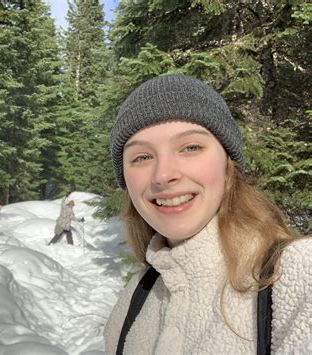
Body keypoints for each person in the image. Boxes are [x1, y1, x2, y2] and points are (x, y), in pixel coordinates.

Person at [103, 74, 311, 354]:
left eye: (190, 147)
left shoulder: (297, 276)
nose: (163, 175)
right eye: (141, 157)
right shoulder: (134, 302)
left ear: (228, 166)